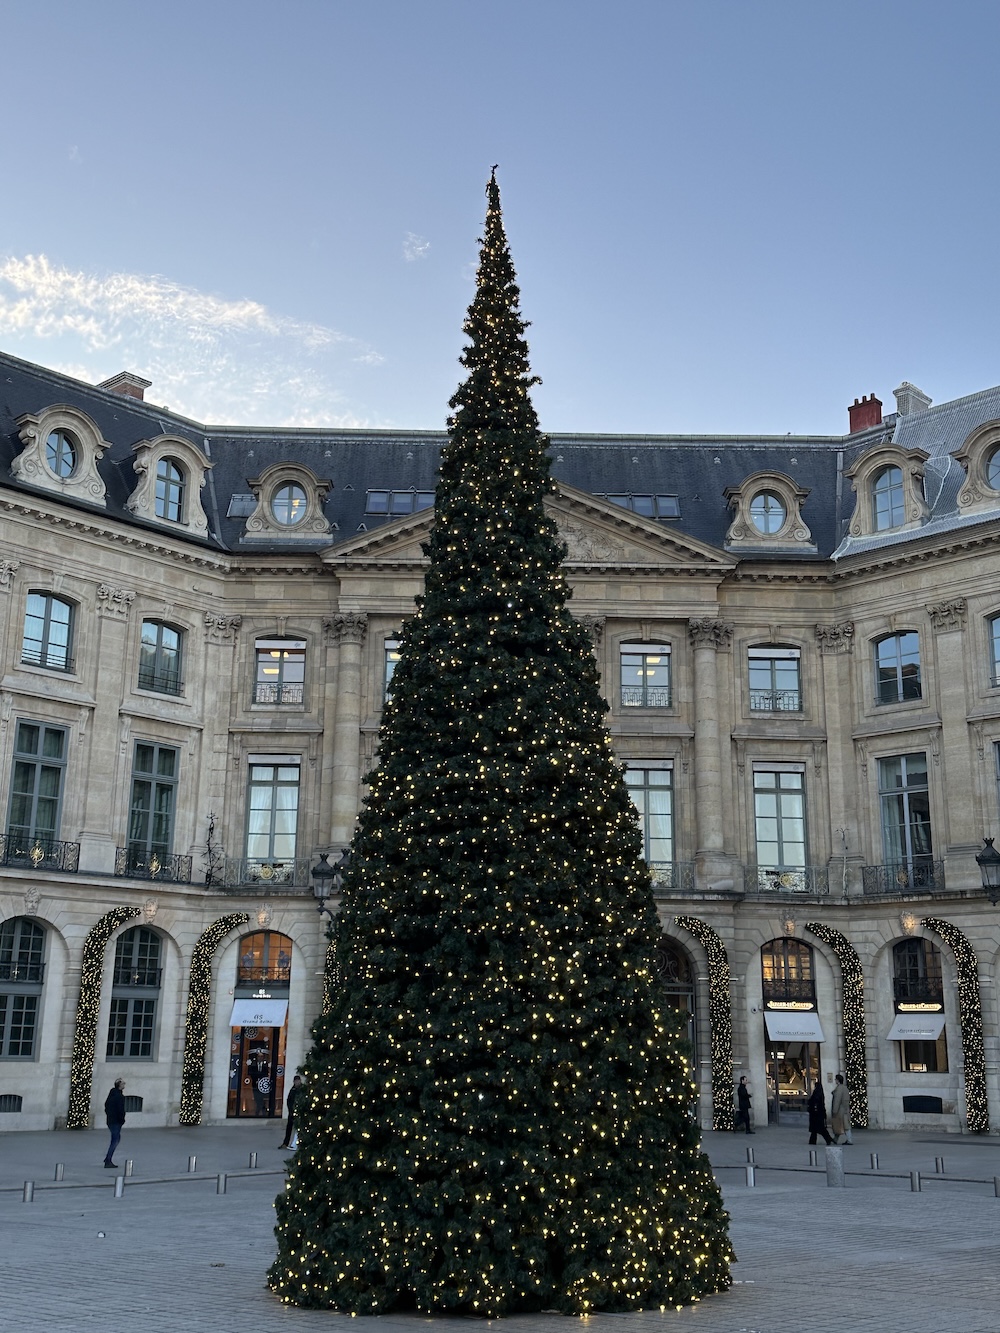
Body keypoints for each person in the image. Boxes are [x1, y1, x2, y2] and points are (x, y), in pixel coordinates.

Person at [104, 1077, 126, 1168]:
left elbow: (106, 1106)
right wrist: (122, 1119)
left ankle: (108, 1158)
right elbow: (120, 1110)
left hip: (110, 1120)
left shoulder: (112, 1094)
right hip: (116, 1121)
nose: (124, 1085)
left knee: (116, 1139)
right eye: (123, 1083)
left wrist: (109, 1115)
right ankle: (108, 1159)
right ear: (119, 1085)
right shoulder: (119, 1096)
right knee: (115, 1140)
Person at [280, 1075, 304, 1149]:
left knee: (300, 1128)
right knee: (289, 1127)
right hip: (292, 1112)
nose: (297, 1083)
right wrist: (291, 1109)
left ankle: (298, 1143)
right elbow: (289, 1100)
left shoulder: (303, 1089)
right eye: (295, 1081)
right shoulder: (293, 1089)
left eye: (298, 1081)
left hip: (300, 1112)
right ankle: (285, 1143)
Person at [807, 1079, 834, 1145]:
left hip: (816, 1114)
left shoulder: (816, 1093)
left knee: (818, 1129)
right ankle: (815, 1141)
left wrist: (812, 1107)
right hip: (819, 1114)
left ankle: (827, 1139)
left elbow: (814, 1102)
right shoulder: (820, 1093)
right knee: (818, 1129)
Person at [830, 1073, 853, 1144]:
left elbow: (837, 1100)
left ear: (837, 1080)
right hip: (845, 1109)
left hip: (840, 1110)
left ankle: (849, 1140)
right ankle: (836, 1139)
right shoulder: (845, 1088)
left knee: (842, 1125)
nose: (835, 1081)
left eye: (835, 1079)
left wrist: (834, 1110)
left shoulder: (839, 1089)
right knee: (841, 1125)